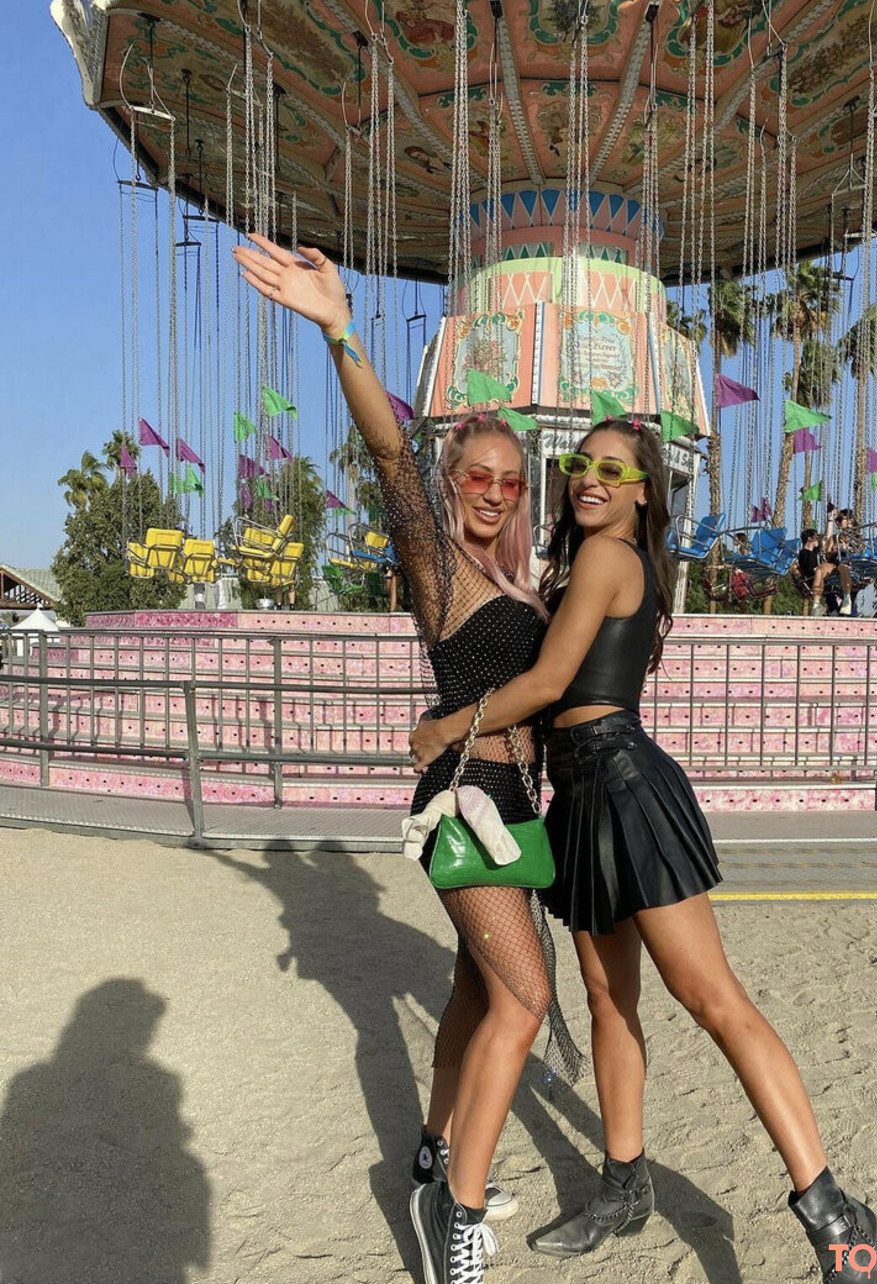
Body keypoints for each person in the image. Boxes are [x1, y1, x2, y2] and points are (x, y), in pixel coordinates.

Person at [410, 418, 877, 1283]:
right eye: (579, 463)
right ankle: (625, 1186)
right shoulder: (581, 563)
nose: (589, 478)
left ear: (643, 491)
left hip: (625, 786)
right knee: (608, 999)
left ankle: (836, 1216)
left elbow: (550, 682)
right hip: (581, 796)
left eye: (612, 468)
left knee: (712, 998)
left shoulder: (605, 556)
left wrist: (446, 728)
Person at [234, 233, 582, 1284]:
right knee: (524, 998)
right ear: (453, 479)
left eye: (510, 481)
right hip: (463, 798)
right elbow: (390, 452)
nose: (493, 492)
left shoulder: (524, 587)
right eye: (477, 474)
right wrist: (341, 332)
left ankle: (435, 1156)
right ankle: (453, 1216)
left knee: (477, 994)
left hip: (514, 802)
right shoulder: (442, 569)